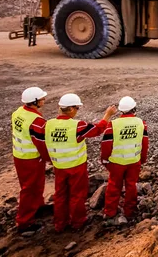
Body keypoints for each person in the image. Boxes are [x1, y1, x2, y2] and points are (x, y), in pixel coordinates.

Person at [44, 93, 117, 232]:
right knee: (77, 194)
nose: (77, 111)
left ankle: (60, 223)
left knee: (60, 194)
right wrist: (107, 115)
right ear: (71, 109)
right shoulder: (77, 126)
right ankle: (78, 221)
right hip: (75, 166)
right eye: (77, 108)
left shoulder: (49, 124)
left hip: (58, 166)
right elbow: (97, 129)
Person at [101, 96, 149, 222]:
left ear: (121, 111)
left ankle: (110, 211)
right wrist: (142, 158)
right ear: (134, 109)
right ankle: (130, 210)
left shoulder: (113, 125)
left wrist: (105, 159)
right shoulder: (141, 123)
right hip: (134, 161)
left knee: (114, 186)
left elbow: (106, 144)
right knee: (131, 186)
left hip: (116, 163)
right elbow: (144, 143)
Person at [12, 87, 49, 234]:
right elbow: (41, 144)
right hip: (31, 159)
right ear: (35, 102)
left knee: (33, 186)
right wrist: (50, 159)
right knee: (30, 189)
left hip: (19, 156)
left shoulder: (18, 112)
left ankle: (38, 207)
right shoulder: (37, 121)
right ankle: (24, 223)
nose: (44, 100)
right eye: (42, 99)